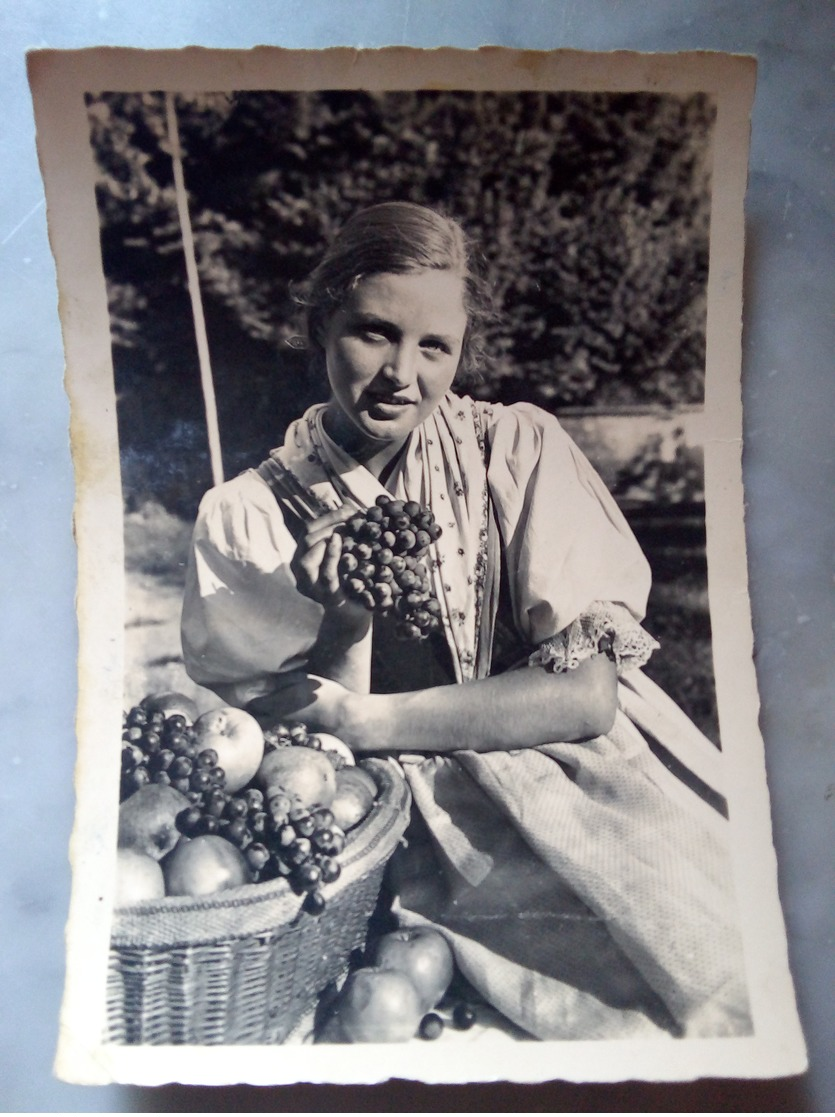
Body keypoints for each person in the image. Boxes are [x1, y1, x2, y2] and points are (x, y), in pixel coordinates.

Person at [181, 201, 751, 1041]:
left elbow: (584, 698)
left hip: (570, 775)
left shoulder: (511, 452)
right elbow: (287, 751)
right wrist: (341, 624)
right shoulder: (248, 517)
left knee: (709, 963)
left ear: (459, 350)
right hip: (386, 815)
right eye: (372, 332)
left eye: (433, 346)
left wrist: (369, 716)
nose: (398, 374)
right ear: (320, 325)